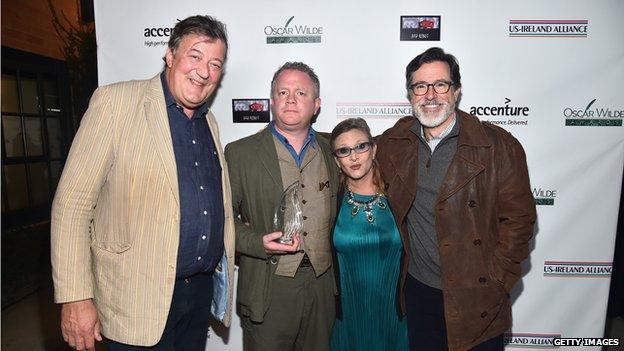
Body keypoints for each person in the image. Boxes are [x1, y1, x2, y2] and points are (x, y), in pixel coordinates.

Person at [51, 15, 235, 351]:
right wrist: (76, 296)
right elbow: (72, 204)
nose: (204, 71)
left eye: (215, 63)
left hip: (198, 294)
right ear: (170, 56)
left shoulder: (209, 123)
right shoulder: (116, 103)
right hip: (136, 298)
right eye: (195, 56)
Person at [376, 47, 536, 351]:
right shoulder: (396, 143)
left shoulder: (498, 145)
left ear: (457, 91)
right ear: (410, 95)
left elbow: (520, 220)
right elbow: (353, 148)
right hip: (419, 293)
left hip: (477, 297)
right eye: (420, 86)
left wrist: (497, 279)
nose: (430, 95)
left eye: (441, 84)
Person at [225, 62, 339, 351]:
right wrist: (257, 242)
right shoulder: (240, 153)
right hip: (268, 286)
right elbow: (223, 221)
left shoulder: (333, 150)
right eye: (283, 92)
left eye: (301, 92)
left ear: (316, 104)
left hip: (321, 285)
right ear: (272, 101)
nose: (291, 99)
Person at [328, 118, 409, 351]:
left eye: (361, 146)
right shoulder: (332, 200)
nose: (354, 157)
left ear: (374, 149)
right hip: (348, 315)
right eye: (344, 151)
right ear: (336, 160)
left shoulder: (400, 194)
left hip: (394, 313)